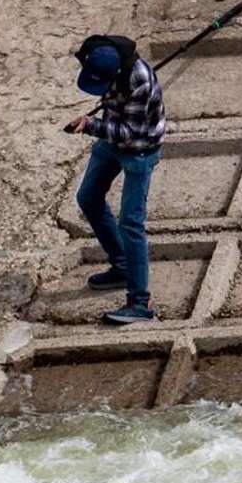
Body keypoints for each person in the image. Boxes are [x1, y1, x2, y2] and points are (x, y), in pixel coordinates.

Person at [68, 34, 166, 325]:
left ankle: (140, 303)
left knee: (131, 223)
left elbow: (129, 133)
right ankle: (122, 266)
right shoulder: (103, 57)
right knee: (87, 198)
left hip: (139, 152)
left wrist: (91, 126)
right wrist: (95, 120)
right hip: (112, 142)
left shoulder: (139, 81)